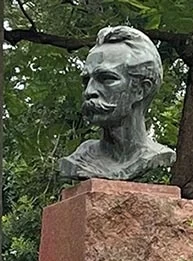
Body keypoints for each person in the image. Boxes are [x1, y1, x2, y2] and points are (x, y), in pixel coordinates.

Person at [59, 25, 176, 181]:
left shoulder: (157, 155)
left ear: (142, 89)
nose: (89, 91)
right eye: (86, 81)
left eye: (106, 78)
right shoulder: (80, 159)